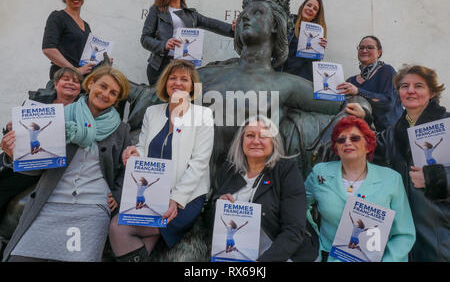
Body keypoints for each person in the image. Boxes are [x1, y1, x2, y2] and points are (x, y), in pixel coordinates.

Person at [1, 66, 131, 262]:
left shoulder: (122, 130)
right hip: (49, 202)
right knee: (20, 258)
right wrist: (14, 155)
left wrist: (118, 195)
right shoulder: (56, 118)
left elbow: (126, 169)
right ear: (91, 83)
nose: (105, 94)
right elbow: (36, 169)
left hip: (92, 207)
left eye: (113, 93)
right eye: (102, 86)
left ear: (117, 99)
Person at [108, 59, 214, 262]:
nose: (178, 83)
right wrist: (134, 152)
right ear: (165, 82)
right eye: (172, 78)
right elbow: (144, 148)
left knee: (118, 228)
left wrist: (176, 199)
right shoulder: (152, 112)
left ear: (192, 86)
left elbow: (200, 163)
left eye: (184, 79)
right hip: (152, 194)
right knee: (136, 247)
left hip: (186, 198)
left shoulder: (204, 115)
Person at [305, 116, 415, 262]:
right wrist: (313, 237)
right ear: (336, 148)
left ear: (368, 145)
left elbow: (404, 233)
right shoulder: (320, 173)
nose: (347, 142)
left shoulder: (392, 179)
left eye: (355, 138)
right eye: (341, 140)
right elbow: (296, 206)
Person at [211, 115, 319, 262]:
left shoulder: (286, 171)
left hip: (280, 255)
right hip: (235, 256)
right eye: (250, 135)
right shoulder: (229, 170)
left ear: (273, 142)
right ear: (241, 141)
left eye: (263, 136)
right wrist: (217, 206)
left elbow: (294, 230)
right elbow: (210, 219)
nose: (256, 141)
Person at [370, 65, 448, 261]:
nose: (410, 90)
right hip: (404, 234)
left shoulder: (448, 125)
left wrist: (433, 178)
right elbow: (366, 149)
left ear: (431, 92)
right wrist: (361, 119)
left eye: (419, 86)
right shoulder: (391, 134)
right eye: (404, 86)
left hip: (441, 232)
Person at [0, 67, 83, 221]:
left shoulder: (82, 111)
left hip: (43, 166)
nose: (71, 83)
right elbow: (18, 133)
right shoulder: (36, 103)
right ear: (56, 83)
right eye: (66, 79)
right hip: (16, 157)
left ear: (80, 89)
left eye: (76, 82)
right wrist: (11, 130)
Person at [141, 0, 235, 85]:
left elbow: (211, 23)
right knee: (161, 102)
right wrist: (163, 45)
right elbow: (145, 39)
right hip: (161, 66)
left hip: (185, 65)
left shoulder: (190, 14)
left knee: (186, 99)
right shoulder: (156, 10)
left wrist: (234, 29)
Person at [336, 36, 403, 131]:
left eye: (370, 47)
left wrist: (358, 91)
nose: (364, 50)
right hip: (361, 134)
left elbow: (388, 102)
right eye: (361, 47)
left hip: (389, 133)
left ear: (379, 52)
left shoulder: (386, 70)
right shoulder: (351, 81)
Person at [42, 0, 95, 80]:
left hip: (82, 79)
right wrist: (75, 70)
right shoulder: (58, 17)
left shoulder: (86, 26)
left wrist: (101, 61)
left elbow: (86, 57)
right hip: (64, 77)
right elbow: (48, 49)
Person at [275, 0, 328, 81]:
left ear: (315, 15)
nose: (311, 9)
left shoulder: (317, 32)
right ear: (302, 7)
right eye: (309, 5)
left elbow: (313, 63)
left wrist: (320, 49)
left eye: (315, 9)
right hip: (282, 76)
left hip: (303, 82)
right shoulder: (288, 22)